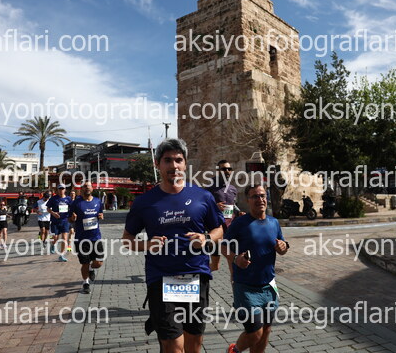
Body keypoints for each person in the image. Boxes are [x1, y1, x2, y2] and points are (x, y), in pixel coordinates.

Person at [122, 138, 224, 353]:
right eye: (167, 160)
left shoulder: (203, 196)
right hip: (161, 279)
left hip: (196, 276)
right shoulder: (144, 202)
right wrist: (147, 245)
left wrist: (206, 238)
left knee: (193, 345)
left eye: (178, 160)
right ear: (157, 164)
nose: (174, 165)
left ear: (185, 164)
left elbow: (219, 229)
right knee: (174, 346)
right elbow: (127, 239)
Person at [223, 184, 288, 353]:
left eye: (262, 195)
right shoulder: (239, 223)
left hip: (269, 286)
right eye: (255, 196)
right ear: (248, 200)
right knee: (255, 333)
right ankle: (234, 350)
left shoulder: (274, 222)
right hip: (246, 287)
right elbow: (223, 246)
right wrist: (236, 259)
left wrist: (283, 247)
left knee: (266, 330)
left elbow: (282, 246)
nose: (260, 199)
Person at [206, 159, 244, 272]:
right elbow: (203, 205)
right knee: (215, 266)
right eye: (223, 169)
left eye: (229, 169)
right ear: (218, 171)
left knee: (232, 262)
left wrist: (239, 212)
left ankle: (234, 280)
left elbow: (233, 205)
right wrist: (215, 206)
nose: (227, 171)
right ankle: (198, 272)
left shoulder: (233, 189)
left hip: (230, 229)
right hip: (216, 228)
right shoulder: (210, 187)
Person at [69, 181, 104, 294]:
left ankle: (91, 268)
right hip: (81, 238)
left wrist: (101, 216)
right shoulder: (76, 203)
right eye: (84, 186)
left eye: (89, 186)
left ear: (92, 189)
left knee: (98, 263)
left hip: (95, 237)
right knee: (85, 263)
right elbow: (70, 219)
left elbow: (100, 214)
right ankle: (86, 283)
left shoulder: (98, 201)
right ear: (81, 189)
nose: (87, 188)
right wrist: (72, 218)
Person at [47, 184, 72, 262]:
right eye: (60, 189)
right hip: (55, 221)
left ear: (65, 190)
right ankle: (53, 244)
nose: (61, 190)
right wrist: (53, 213)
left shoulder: (68, 199)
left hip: (65, 221)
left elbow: (72, 208)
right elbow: (48, 208)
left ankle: (61, 255)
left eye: (62, 189)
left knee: (64, 238)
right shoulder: (53, 198)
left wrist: (73, 215)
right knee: (55, 238)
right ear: (57, 190)